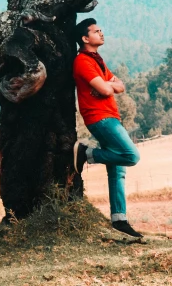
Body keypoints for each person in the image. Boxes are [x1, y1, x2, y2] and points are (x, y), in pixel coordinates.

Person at [72, 18, 142, 238]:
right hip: (99, 118)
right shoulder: (83, 61)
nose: (101, 34)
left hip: (111, 116)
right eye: (96, 31)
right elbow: (105, 89)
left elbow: (118, 87)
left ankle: (119, 220)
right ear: (85, 38)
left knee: (117, 169)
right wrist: (107, 86)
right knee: (130, 156)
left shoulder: (98, 60)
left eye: (101, 30)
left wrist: (107, 85)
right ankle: (86, 153)